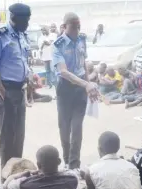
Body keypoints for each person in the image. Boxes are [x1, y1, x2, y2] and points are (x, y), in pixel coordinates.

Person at [0, 3, 31, 169]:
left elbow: (23, 60)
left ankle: (16, 173)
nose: (27, 24)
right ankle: (6, 177)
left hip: (19, 89)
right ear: (13, 18)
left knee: (19, 136)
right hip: (4, 89)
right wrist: (3, 93)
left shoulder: (21, 36)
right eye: (24, 21)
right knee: (8, 137)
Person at [52, 12, 99, 170]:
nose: (76, 31)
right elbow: (64, 72)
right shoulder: (57, 45)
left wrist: (88, 84)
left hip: (80, 89)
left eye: (78, 27)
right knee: (64, 128)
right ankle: (66, 160)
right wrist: (85, 84)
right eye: (73, 27)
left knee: (77, 127)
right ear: (64, 27)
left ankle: (74, 165)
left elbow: (83, 63)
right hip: (65, 89)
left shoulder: (81, 39)